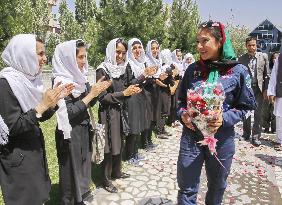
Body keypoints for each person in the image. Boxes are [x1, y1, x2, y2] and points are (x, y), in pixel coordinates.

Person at [177, 21, 256, 205]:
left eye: (204, 41)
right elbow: (180, 102)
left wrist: (225, 118)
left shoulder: (238, 71)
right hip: (191, 139)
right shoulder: (192, 70)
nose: (199, 46)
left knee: (217, 187)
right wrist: (183, 115)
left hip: (222, 141)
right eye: (198, 41)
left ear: (219, 42)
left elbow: (248, 106)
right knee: (187, 189)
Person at [0, 34, 73, 205]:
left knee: (38, 196)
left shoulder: (29, 80)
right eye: (40, 54)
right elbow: (13, 126)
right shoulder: (6, 83)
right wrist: (42, 105)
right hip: (18, 158)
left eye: (44, 54)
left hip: (32, 151)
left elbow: (37, 117)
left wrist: (54, 102)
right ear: (24, 54)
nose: (44, 59)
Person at [52, 40, 111, 205]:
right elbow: (68, 112)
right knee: (70, 171)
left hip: (83, 128)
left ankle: (80, 198)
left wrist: (98, 91)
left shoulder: (80, 77)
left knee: (82, 166)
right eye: (80, 57)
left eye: (85, 56)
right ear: (68, 58)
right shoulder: (60, 82)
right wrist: (91, 95)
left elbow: (87, 103)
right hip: (69, 133)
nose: (84, 60)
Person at [96, 38, 141, 193]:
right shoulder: (102, 70)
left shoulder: (124, 67)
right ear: (110, 51)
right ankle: (106, 179)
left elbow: (129, 83)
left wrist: (137, 85)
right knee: (108, 144)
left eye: (123, 52)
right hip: (108, 112)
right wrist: (124, 93)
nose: (120, 56)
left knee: (119, 140)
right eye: (117, 52)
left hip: (121, 109)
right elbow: (102, 97)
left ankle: (117, 171)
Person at [124, 38, 156, 166]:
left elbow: (143, 81)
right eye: (134, 48)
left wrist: (149, 76)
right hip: (132, 99)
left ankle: (135, 153)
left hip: (141, 96)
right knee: (133, 126)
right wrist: (143, 75)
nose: (137, 50)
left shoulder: (141, 63)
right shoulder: (128, 64)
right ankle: (129, 155)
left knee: (139, 124)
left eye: (139, 47)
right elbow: (129, 83)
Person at [238, 36, 270, 146]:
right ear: (246, 46)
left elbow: (267, 74)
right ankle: (246, 134)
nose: (252, 47)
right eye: (250, 45)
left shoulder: (263, 56)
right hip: (246, 89)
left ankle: (256, 136)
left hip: (259, 89)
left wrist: (266, 89)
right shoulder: (241, 59)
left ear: (256, 45)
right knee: (246, 112)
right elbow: (239, 75)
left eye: (254, 45)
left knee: (258, 113)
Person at [267, 53, 282, 150]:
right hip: (281, 92)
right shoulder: (280, 58)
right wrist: (271, 92)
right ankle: (280, 141)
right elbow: (274, 75)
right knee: (280, 117)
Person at [263, 52, 279, 133]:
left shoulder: (280, 69)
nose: (275, 59)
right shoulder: (268, 68)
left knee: (274, 112)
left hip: (276, 94)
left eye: (277, 58)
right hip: (267, 92)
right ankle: (266, 127)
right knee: (265, 111)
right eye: (273, 58)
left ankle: (274, 129)